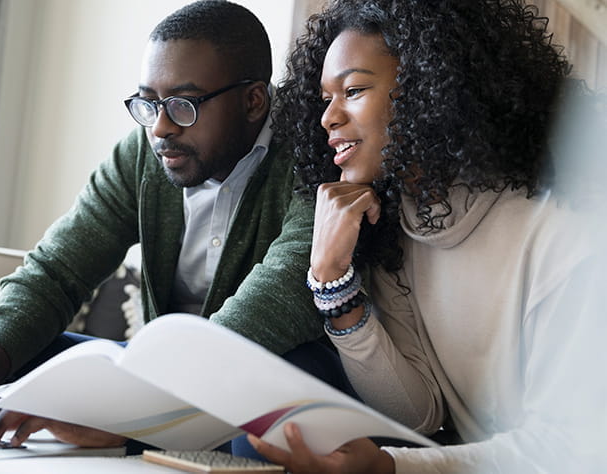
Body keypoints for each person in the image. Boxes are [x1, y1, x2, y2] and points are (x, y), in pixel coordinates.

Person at [0, 0, 353, 452]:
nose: (160, 128)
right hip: (160, 373)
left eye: (183, 105)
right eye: (148, 104)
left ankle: (145, 433)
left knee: (258, 425)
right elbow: (58, 270)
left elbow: (279, 298)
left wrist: (132, 412)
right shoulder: (145, 155)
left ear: (253, 101)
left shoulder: (315, 150)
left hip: (275, 368)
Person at [247, 0, 605, 472]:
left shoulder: (563, 237)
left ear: (428, 88)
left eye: (353, 89)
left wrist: (388, 467)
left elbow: (570, 452)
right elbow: (419, 412)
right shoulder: (399, 225)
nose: (327, 118)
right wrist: (331, 279)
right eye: (324, 99)